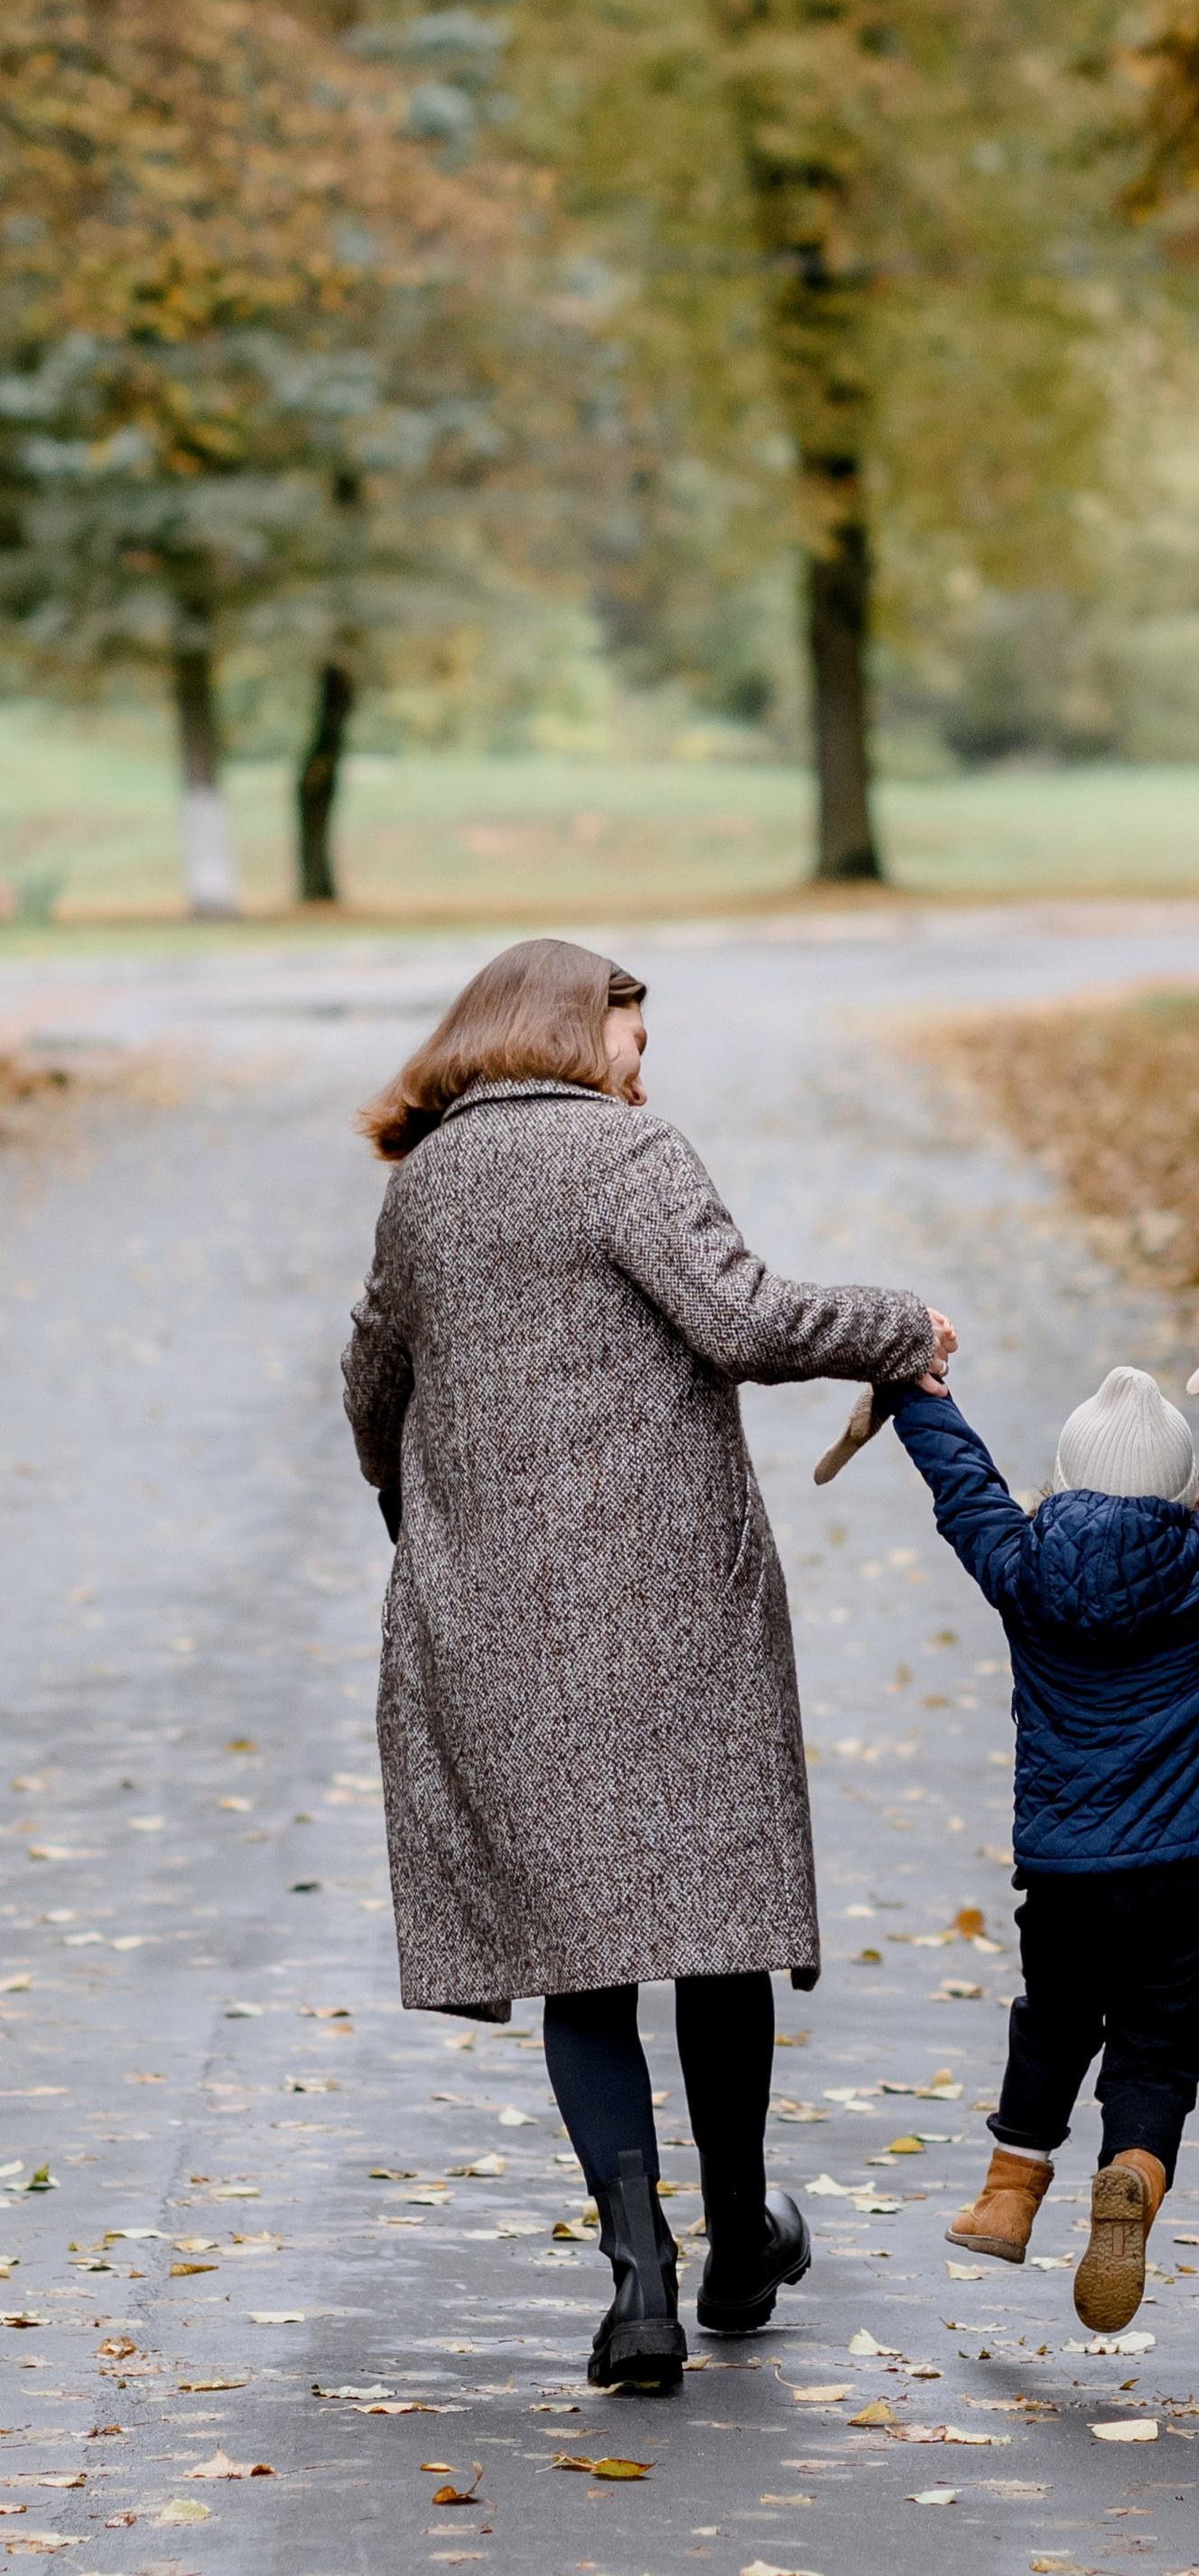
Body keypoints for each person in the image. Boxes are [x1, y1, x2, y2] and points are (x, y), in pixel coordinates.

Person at [340, 938, 955, 2397]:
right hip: (677, 1607)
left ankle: (641, 2281)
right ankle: (742, 2235)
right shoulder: (626, 1156)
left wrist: (431, 1523)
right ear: (564, 1028)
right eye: (630, 1031)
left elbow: (374, 1384)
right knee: (714, 1922)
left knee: (584, 1957)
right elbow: (741, 1316)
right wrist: (901, 1324)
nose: (641, 1060)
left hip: (495, 1617)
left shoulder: (424, 1186)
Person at [879, 1315, 1199, 2330]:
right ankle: (1130, 2168)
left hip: (1065, 1861)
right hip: (1184, 1863)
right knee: (1159, 2042)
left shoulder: (1023, 1565)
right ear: (1179, 1485)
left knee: (1054, 2014)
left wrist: (912, 1387)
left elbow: (965, 1486)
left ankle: (1008, 2192)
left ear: (1068, 1477)